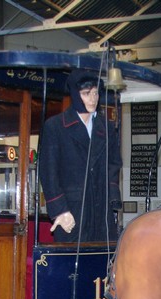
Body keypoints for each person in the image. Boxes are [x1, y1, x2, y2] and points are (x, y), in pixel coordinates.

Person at [38, 68, 122, 243]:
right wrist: (60, 210)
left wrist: (112, 196)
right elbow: (48, 172)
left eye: (95, 93)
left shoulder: (106, 127)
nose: (93, 98)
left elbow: (114, 163)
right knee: (71, 259)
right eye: (86, 93)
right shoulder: (55, 126)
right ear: (76, 95)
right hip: (72, 211)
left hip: (101, 210)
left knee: (103, 257)